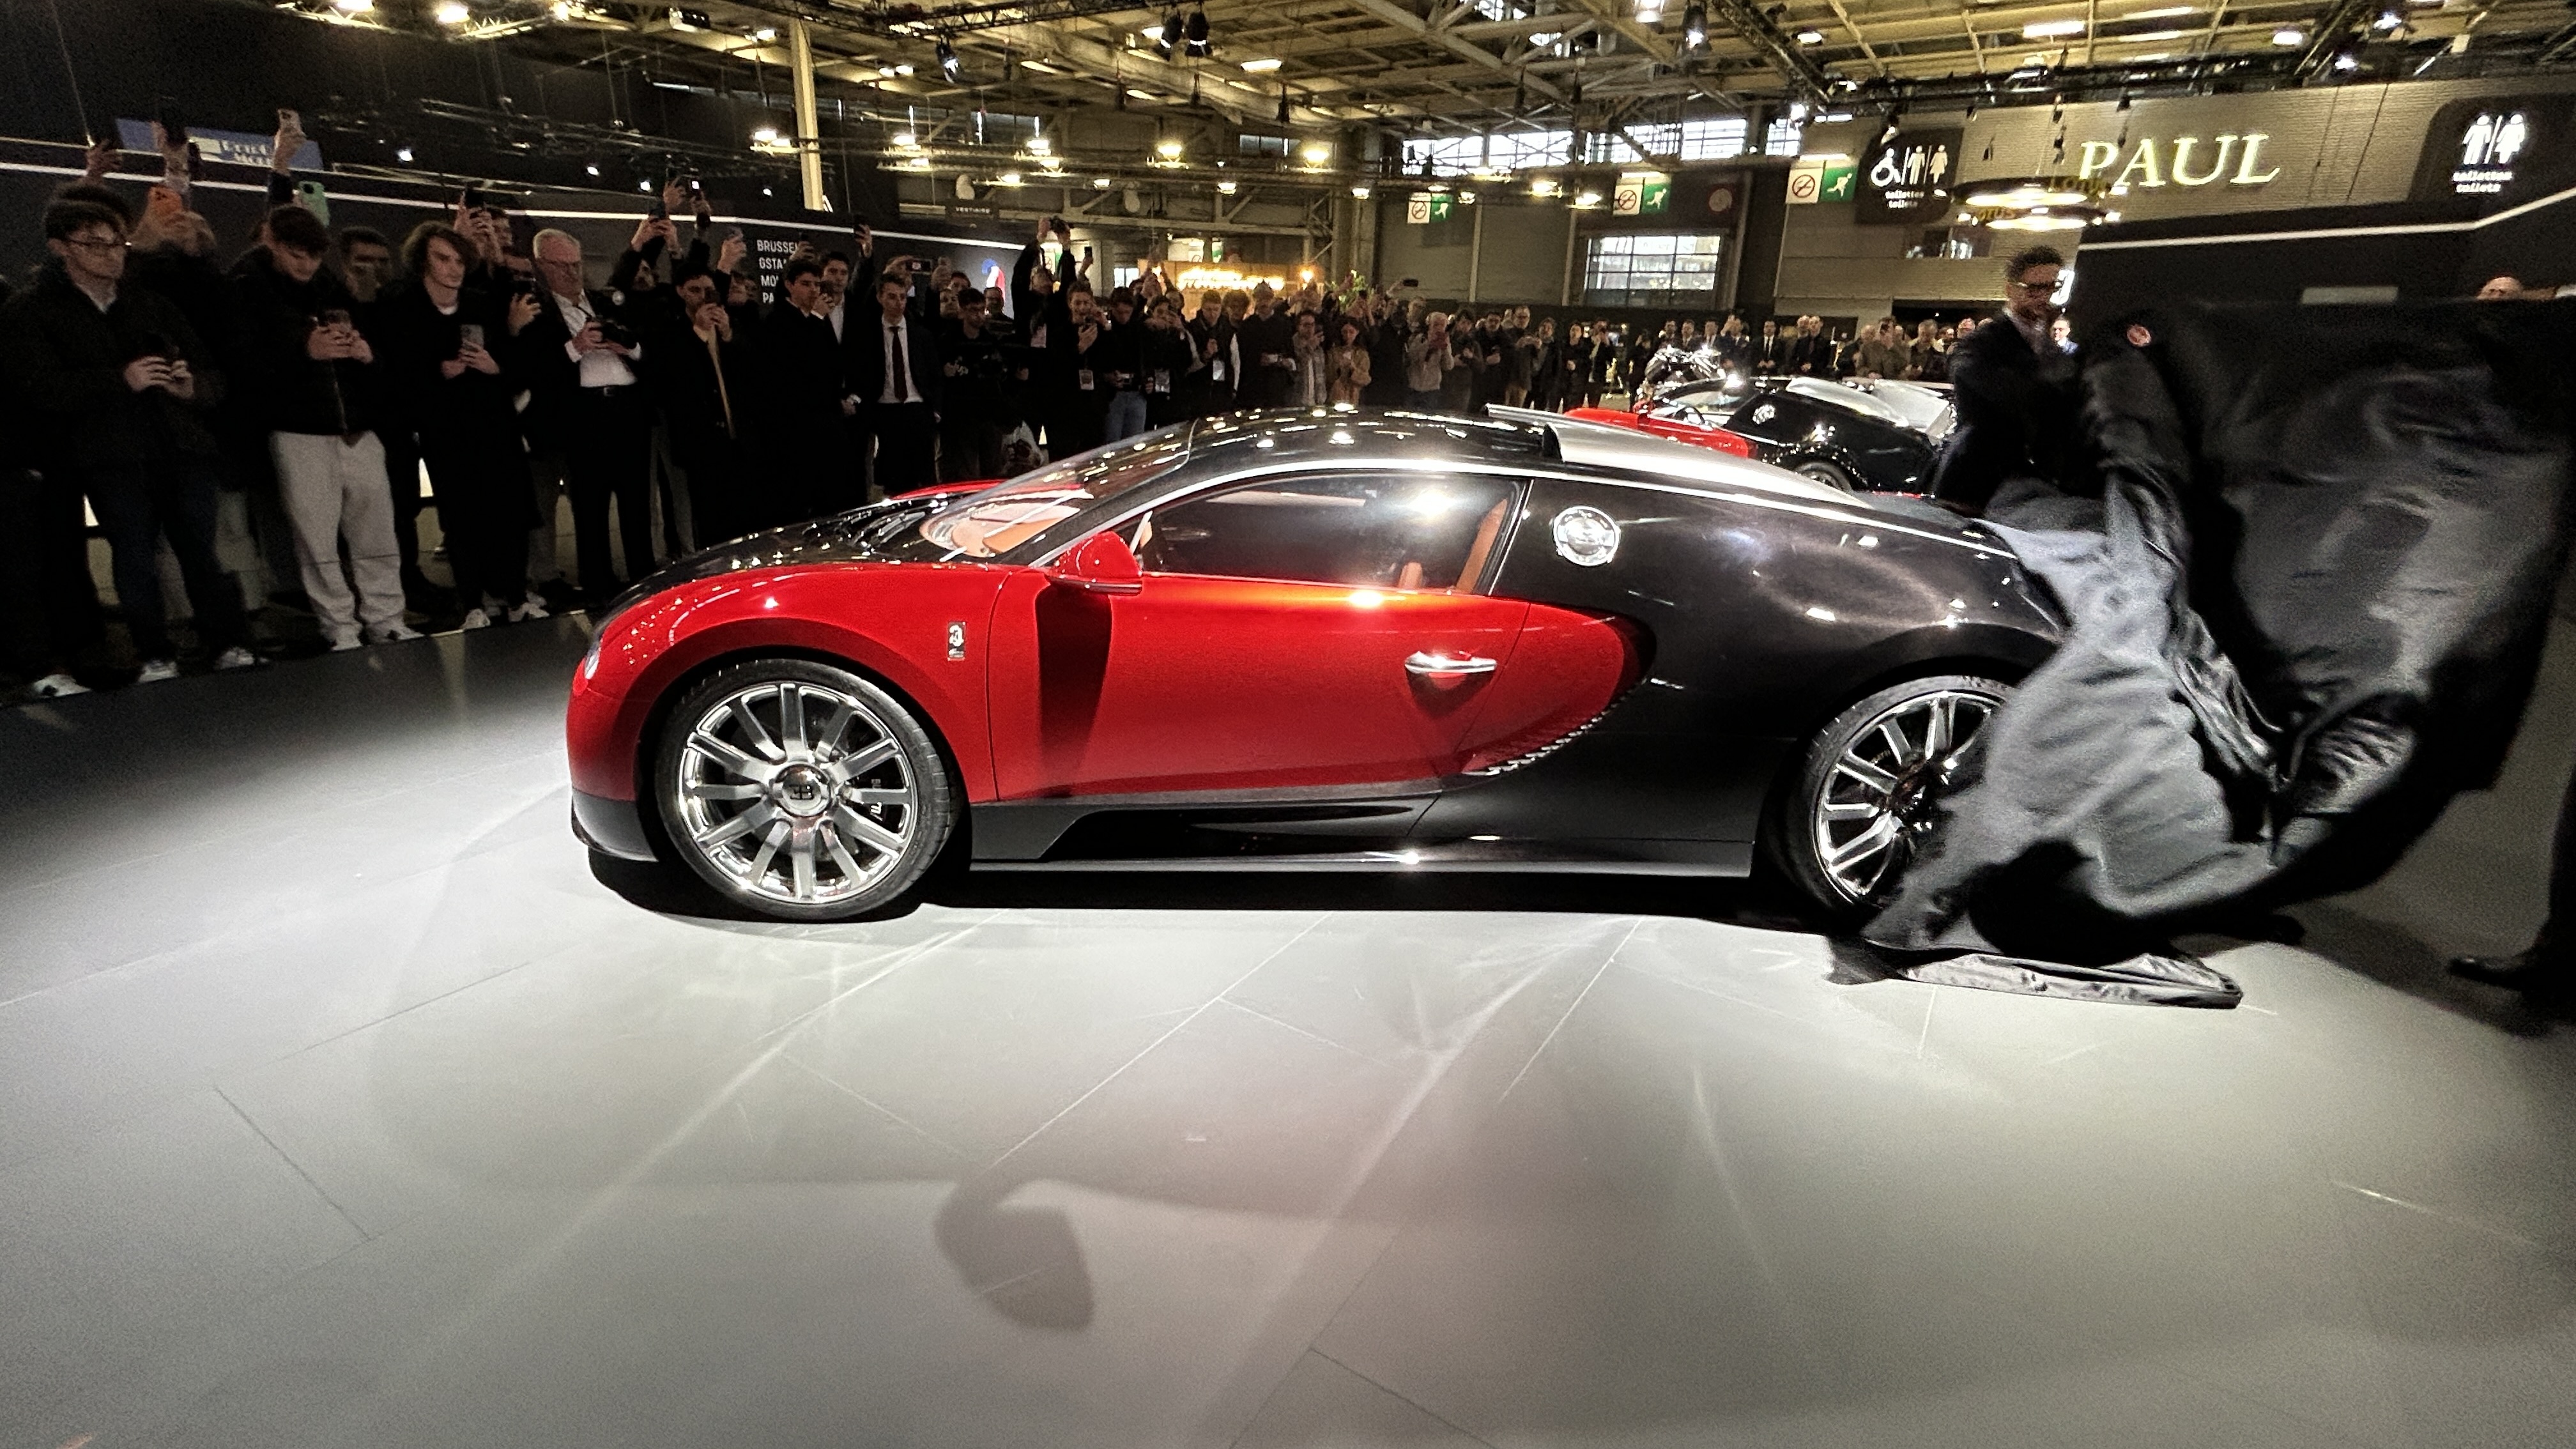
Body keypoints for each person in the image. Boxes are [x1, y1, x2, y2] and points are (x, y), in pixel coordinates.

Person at [1, 199, 256, 680]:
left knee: (202, 552)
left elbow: (210, 372)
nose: (110, 253)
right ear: (60, 248)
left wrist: (191, 387)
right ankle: (154, 651)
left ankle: (230, 641)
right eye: (93, 244)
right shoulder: (33, 310)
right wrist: (120, 380)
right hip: (108, 455)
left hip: (179, 444)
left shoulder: (150, 303)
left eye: (117, 242)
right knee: (134, 556)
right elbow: (41, 388)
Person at [234, 202, 417, 651]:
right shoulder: (247, 289)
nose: (307, 265)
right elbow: (244, 366)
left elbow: (375, 351)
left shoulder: (332, 288)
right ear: (272, 244)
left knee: (377, 531)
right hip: (299, 432)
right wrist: (303, 351)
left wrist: (365, 355)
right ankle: (338, 625)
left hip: (357, 428)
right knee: (316, 539)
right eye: (296, 254)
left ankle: (386, 617)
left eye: (314, 256)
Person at [375, 220, 545, 631]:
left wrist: (493, 366)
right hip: (445, 431)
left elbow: (516, 362)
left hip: (495, 424)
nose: (452, 268)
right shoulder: (403, 308)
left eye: (458, 261)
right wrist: (440, 372)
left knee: (509, 514)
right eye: (443, 259)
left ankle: (515, 596)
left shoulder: (480, 304)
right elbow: (396, 374)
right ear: (423, 261)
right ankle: (472, 601)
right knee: (461, 517)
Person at [519, 226, 654, 604]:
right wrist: (575, 347)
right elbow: (534, 369)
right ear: (541, 266)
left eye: (576, 265)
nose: (572, 273)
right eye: (561, 266)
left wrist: (629, 347)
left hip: (627, 409)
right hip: (582, 415)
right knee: (590, 506)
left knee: (636, 501)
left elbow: (643, 347)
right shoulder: (536, 311)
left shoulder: (604, 301)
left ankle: (644, 577)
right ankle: (598, 585)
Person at [1926, 245, 2083, 516]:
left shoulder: (2050, 348)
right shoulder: (1980, 345)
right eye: (2034, 288)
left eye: (2052, 287)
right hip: (1976, 483)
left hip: (2033, 485)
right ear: (2010, 290)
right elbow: (2006, 398)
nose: (2044, 296)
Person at [656, 264, 759, 542]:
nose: (703, 296)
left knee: (745, 515)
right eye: (695, 290)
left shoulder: (729, 323)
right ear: (680, 291)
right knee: (711, 519)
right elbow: (676, 380)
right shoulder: (673, 330)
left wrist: (728, 335)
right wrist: (699, 333)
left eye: (708, 290)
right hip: (702, 442)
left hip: (738, 435)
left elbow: (751, 370)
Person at [757, 256, 853, 521]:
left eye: (816, 285)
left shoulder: (817, 319)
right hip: (795, 426)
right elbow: (796, 365)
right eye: (806, 284)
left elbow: (832, 364)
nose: (813, 290)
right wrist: (817, 318)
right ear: (789, 285)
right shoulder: (777, 321)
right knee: (799, 498)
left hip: (826, 419)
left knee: (830, 495)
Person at [848, 265, 940, 496]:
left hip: (917, 407)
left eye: (902, 297)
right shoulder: (869, 333)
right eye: (891, 297)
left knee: (925, 477)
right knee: (894, 478)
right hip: (886, 409)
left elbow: (934, 374)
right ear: (880, 298)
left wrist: (935, 408)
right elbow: (862, 372)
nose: (898, 303)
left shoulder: (921, 334)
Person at [937, 286, 1009, 481]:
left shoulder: (990, 342)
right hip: (960, 415)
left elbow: (999, 372)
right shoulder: (948, 342)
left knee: (992, 471)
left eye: (981, 310)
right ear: (961, 311)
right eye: (973, 310)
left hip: (988, 412)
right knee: (964, 472)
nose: (978, 315)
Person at [1405, 312, 1452, 410]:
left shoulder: (1445, 341)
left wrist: (1445, 349)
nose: (1438, 328)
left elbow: (1448, 366)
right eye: (1436, 325)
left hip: (1432, 388)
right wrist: (1427, 344)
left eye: (1442, 325)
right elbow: (1411, 357)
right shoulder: (1420, 338)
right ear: (1429, 325)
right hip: (1415, 385)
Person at [1326, 316, 1371, 406]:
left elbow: (1366, 379)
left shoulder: (1361, 354)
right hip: (1336, 395)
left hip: (1355, 396)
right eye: (1345, 332)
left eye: (1351, 332)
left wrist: (1353, 370)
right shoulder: (1333, 353)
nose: (1348, 336)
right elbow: (1328, 376)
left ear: (1357, 332)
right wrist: (1339, 368)